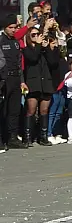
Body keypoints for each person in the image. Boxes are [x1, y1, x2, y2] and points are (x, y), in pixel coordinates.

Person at [22, 24, 60, 147]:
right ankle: (27, 137)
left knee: (44, 110)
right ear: (29, 36)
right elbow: (32, 58)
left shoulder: (43, 49)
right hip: (33, 82)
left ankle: (43, 136)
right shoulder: (27, 49)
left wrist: (48, 48)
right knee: (31, 110)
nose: (37, 37)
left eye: (38, 34)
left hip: (46, 82)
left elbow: (53, 62)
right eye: (33, 35)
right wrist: (38, 45)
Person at [0, 14, 21, 152]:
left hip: (15, 78)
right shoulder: (1, 41)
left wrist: (22, 81)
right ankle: (2, 139)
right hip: (4, 79)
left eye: (15, 27)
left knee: (14, 110)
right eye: (10, 27)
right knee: (3, 110)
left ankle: (13, 137)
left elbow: (19, 63)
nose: (13, 30)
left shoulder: (15, 42)